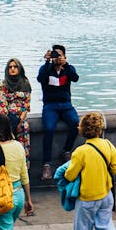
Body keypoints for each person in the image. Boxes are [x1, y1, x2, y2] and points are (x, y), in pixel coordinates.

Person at [62, 110, 116, 230]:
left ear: (82, 130)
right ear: (100, 129)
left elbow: (70, 175)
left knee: (82, 229)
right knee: (105, 227)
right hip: (106, 195)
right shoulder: (108, 145)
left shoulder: (80, 151)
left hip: (87, 198)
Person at [0, 113, 35, 230]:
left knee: (4, 229)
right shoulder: (19, 146)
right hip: (19, 195)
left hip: (4, 197)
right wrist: (28, 200)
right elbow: (24, 176)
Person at [38, 44, 79, 180]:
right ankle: (47, 164)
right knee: (49, 128)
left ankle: (66, 150)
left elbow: (75, 78)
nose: (57, 58)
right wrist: (47, 62)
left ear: (65, 57)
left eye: (59, 55)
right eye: (54, 55)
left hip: (66, 105)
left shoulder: (68, 69)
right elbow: (40, 78)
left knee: (76, 123)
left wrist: (66, 65)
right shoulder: (47, 69)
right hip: (50, 105)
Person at [0, 57, 32, 157]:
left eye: (15, 66)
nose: (12, 69)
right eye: (10, 67)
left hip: (21, 119)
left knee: (24, 128)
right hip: (7, 120)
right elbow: (2, 105)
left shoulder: (25, 84)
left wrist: (19, 121)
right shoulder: (3, 85)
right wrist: (10, 124)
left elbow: (27, 105)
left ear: (19, 68)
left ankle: (23, 166)